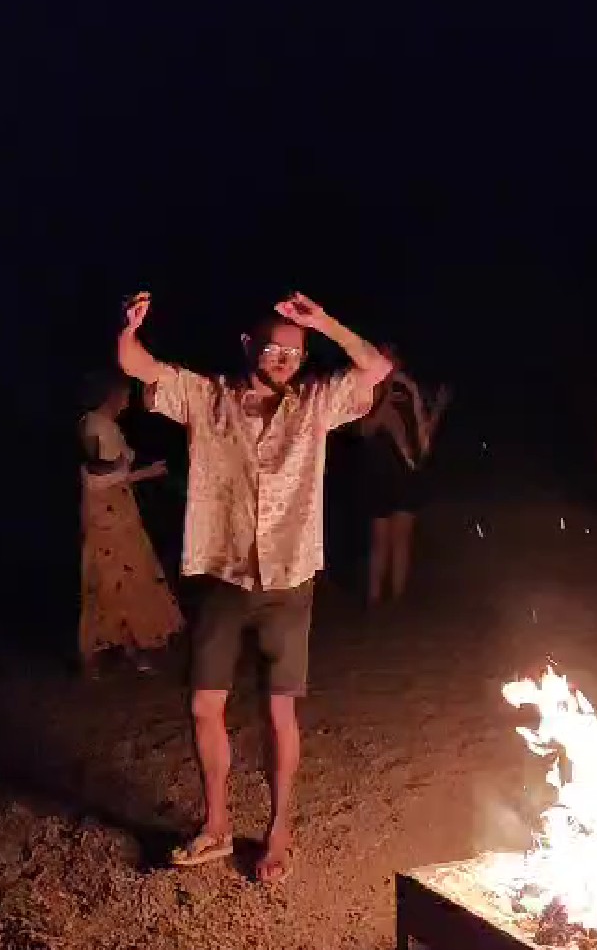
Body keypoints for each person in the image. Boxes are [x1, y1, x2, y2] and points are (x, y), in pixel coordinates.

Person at [118, 290, 392, 882]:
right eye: (271, 349)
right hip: (223, 574)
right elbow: (137, 366)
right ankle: (215, 826)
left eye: (293, 351)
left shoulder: (318, 403)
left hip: (289, 580)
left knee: (279, 714)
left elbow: (375, 367)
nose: (282, 359)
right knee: (202, 705)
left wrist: (325, 322)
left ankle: (278, 831)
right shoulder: (208, 397)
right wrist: (130, 329)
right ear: (248, 346)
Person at [78, 371, 184, 676]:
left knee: (130, 579)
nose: (127, 400)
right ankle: (93, 657)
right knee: (107, 582)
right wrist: (144, 473)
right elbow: (97, 476)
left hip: (120, 512)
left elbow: (117, 464)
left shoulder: (106, 426)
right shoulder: (93, 426)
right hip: (105, 517)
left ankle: (131, 647)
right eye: (123, 394)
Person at [357, 344, 452, 604]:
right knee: (380, 540)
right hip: (378, 473)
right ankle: (374, 600)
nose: (387, 363)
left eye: (390, 358)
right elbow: (365, 430)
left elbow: (422, 436)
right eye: (381, 357)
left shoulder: (408, 389)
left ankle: (397, 600)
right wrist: (383, 397)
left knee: (401, 539)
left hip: (406, 472)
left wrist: (439, 410)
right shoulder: (369, 389)